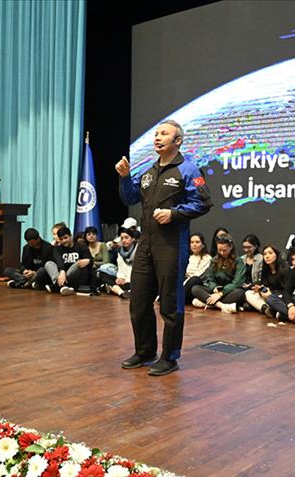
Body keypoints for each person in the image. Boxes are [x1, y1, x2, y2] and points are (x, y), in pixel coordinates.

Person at [116, 119, 212, 376]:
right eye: (156, 133)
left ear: (177, 141)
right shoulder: (148, 172)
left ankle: (169, 357)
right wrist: (124, 178)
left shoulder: (189, 170)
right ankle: (145, 351)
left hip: (172, 245)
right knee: (138, 301)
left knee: (170, 304)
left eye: (164, 134)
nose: (157, 137)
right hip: (145, 245)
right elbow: (130, 197)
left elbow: (204, 202)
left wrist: (175, 213)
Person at [190, 234, 246, 313]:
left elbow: (237, 282)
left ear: (231, 247)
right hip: (215, 290)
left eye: (224, 250)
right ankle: (222, 306)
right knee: (195, 288)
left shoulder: (238, 261)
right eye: (219, 250)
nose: (222, 253)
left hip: (228, 291)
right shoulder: (215, 260)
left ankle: (207, 303)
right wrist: (214, 287)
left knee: (240, 293)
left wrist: (221, 293)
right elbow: (209, 278)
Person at [43, 226, 96, 296]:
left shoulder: (81, 247)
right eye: (61, 239)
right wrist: (62, 271)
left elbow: (90, 261)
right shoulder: (57, 249)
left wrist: (88, 261)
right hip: (61, 275)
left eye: (66, 238)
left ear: (71, 236)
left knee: (79, 263)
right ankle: (62, 285)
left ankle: (58, 285)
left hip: (76, 277)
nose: (64, 241)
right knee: (48, 263)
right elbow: (58, 261)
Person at [99, 228, 139, 299]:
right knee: (101, 274)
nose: (124, 240)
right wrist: (121, 278)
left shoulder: (139, 251)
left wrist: (126, 280)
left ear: (133, 239)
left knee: (136, 284)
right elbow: (120, 268)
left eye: (126, 237)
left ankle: (109, 288)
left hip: (133, 279)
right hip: (123, 279)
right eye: (122, 238)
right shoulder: (120, 252)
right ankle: (121, 292)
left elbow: (138, 271)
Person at [183, 233, 212, 304]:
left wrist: (185, 282)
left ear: (203, 245)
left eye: (197, 242)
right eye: (192, 242)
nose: (194, 244)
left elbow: (200, 275)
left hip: (198, 284)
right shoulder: (188, 257)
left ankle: (178, 299)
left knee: (194, 279)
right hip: (185, 284)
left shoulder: (207, 258)